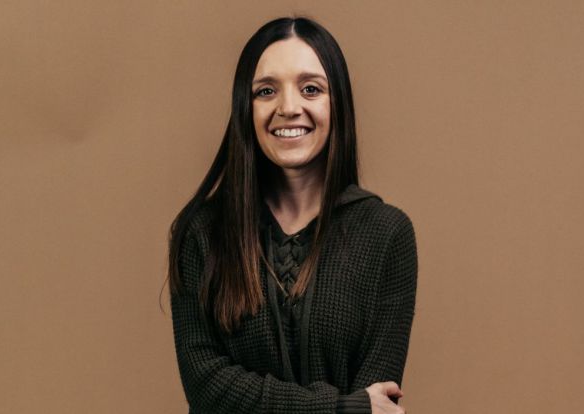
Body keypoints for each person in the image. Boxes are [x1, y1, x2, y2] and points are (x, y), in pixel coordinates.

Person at [166, 15, 418, 414]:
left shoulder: (386, 234)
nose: (288, 107)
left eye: (311, 89)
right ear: (245, 107)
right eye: (266, 91)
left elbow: (379, 404)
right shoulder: (201, 232)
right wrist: (340, 408)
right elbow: (206, 386)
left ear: (338, 104)